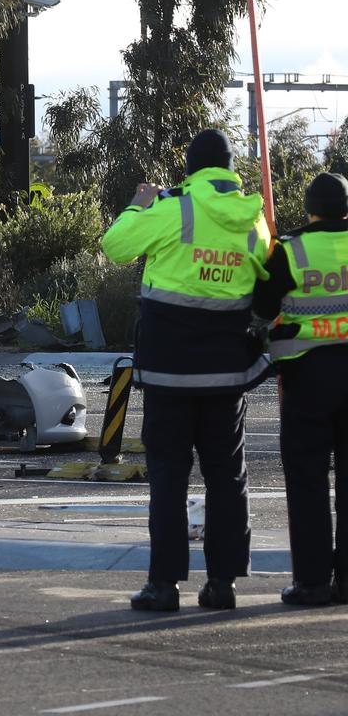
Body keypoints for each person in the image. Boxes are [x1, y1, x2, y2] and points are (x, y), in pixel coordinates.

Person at [102, 129, 272, 612]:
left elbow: (115, 246)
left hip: (168, 374)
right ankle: (223, 585)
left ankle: (164, 585)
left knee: (169, 477)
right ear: (230, 169)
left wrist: (138, 204)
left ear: (191, 170)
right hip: (226, 377)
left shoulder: (175, 208)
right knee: (227, 478)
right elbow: (266, 282)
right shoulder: (253, 223)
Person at [252, 172, 348, 606]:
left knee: (308, 481)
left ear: (310, 208)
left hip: (308, 377)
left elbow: (261, 306)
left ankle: (312, 582)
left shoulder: (291, 250)